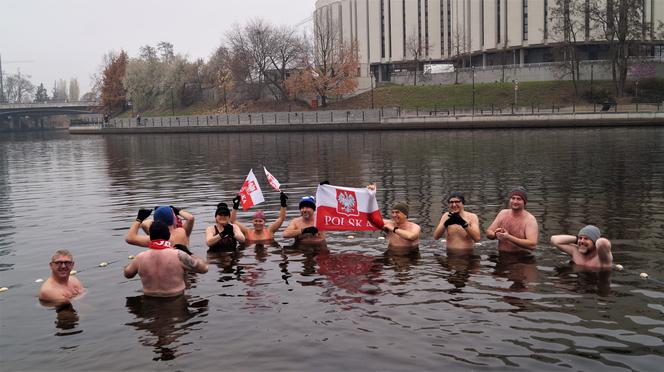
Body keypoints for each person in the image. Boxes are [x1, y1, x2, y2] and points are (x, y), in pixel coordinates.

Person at [124, 221, 208, 297]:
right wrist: (190, 254)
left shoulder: (140, 257)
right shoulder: (179, 255)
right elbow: (204, 269)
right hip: (175, 301)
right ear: (168, 235)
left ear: (150, 237)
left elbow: (127, 274)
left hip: (149, 301)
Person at [366, 184, 420, 253]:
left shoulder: (415, 227)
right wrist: (371, 196)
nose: (394, 215)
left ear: (405, 215)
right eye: (392, 212)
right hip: (391, 254)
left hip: (410, 255)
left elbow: (411, 236)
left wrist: (393, 228)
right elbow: (371, 218)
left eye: (397, 212)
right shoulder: (389, 224)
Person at [486, 187, 538, 253]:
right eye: (513, 198)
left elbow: (532, 245)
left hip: (522, 259)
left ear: (524, 202)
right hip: (501, 255)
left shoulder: (530, 220)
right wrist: (495, 234)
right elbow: (489, 232)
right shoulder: (503, 213)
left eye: (519, 199)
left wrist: (508, 237)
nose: (515, 201)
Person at [126, 206, 195, 255]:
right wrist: (178, 211)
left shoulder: (154, 239)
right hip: (184, 266)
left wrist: (139, 219)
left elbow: (130, 238)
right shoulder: (182, 232)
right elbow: (190, 218)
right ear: (174, 219)